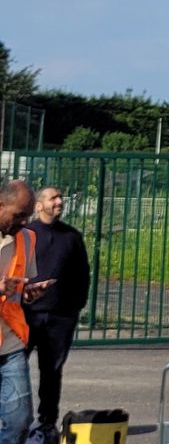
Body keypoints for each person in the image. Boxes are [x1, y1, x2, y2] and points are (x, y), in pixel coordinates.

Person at [25, 189, 89, 444]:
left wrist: (74, 308)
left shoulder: (71, 236)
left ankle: (47, 424)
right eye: (53, 198)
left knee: (52, 373)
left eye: (60, 197)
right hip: (27, 317)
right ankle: (14, 420)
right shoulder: (26, 234)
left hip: (61, 317)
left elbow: (82, 275)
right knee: (13, 370)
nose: (59, 202)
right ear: (39, 205)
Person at [0, 180, 52, 444]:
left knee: (20, 421)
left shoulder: (28, 238)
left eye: (27, 216)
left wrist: (30, 293)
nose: (24, 222)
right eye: (19, 215)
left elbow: (21, 287)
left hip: (9, 346)